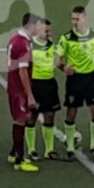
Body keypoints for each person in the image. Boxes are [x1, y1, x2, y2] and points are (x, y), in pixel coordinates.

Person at [58, 6, 94, 162]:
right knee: (72, 112)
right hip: (75, 79)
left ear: (85, 18)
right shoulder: (66, 38)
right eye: (72, 19)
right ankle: (70, 147)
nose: (74, 22)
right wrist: (64, 68)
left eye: (77, 19)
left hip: (92, 78)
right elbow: (58, 60)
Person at [5, 13, 40, 173]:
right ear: (30, 25)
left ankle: (13, 153)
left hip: (14, 87)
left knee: (21, 119)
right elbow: (23, 70)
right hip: (18, 89)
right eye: (37, 25)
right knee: (20, 120)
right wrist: (30, 94)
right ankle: (19, 160)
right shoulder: (22, 43)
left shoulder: (15, 39)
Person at [27, 16, 60, 161]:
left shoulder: (52, 44)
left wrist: (65, 68)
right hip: (35, 83)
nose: (48, 33)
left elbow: (58, 63)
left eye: (49, 31)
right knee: (32, 116)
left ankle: (49, 149)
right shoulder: (29, 45)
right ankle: (31, 149)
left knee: (50, 115)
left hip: (49, 84)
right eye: (46, 31)